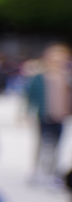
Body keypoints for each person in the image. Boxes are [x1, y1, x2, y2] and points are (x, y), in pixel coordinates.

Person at [26, 44, 71, 188]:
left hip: (60, 116)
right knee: (42, 144)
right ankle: (38, 171)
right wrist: (27, 112)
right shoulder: (39, 78)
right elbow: (30, 96)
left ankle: (52, 173)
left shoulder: (67, 77)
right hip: (44, 115)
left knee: (57, 145)